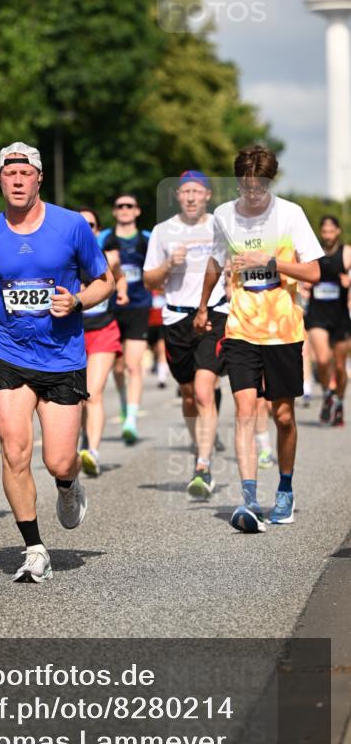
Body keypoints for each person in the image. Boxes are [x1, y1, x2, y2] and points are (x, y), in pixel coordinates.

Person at [0, 143, 113, 582]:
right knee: (14, 450)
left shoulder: (72, 226)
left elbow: (104, 281)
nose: (18, 180)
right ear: (0, 180)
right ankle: (34, 547)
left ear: (38, 178)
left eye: (26, 173)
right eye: (10, 173)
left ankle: (67, 485)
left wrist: (78, 299)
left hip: (62, 356)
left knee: (59, 461)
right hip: (7, 353)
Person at [194, 145, 322, 533]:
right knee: (245, 412)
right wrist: (202, 306)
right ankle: (249, 499)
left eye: (259, 187)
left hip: (283, 330)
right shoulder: (223, 216)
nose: (253, 194)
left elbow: (314, 272)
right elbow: (215, 263)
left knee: (283, 416)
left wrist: (270, 263)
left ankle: (284, 488)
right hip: (241, 328)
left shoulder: (290, 215)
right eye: (247, 187)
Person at [143, 171, 229, 500]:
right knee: (189, 394)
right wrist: (168, 265)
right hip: (175, 317)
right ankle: (199, 446)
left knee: (205, 391)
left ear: (207, 195)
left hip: (214, 314)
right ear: (177, 196)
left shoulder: (220, 228)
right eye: (185, 192)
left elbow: (234, 266)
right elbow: (150, 281)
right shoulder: (162, 232)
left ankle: (203, 466)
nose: (191, 197)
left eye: (197, 191)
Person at [77, 207, 128, 476]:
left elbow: (120, 278)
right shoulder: (64, 258)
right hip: (72, 334)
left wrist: (121, 292)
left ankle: (93, 452)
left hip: (104, 331)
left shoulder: (107, 258)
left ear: (98, 231)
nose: (87, 229)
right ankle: (85, 440)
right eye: (81, 225)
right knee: (77, 398)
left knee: (93, 392)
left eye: (92, 225)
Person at [99, 194, 151, 444]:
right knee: (117, 367)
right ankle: (123, 402)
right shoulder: (104, 238)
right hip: (111, 308)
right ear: (114, 211)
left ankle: (131, 419)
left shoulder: (146, 239)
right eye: (120, 206)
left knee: (134, 364)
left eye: (130, 205)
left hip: (139, 306)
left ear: (137, 211)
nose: (125, 209)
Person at [304, 215, 350, 427]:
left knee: (340, 367)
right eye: (325, 230)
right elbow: (302, 276)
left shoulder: (347, 253)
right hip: (317, 315)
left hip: (340, 316)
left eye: (332, 229)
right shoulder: (312, 251)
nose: (328, 233)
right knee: (322, 360)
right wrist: (304, 287)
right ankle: (327, 394)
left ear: (338, 231)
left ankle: (339, 402)